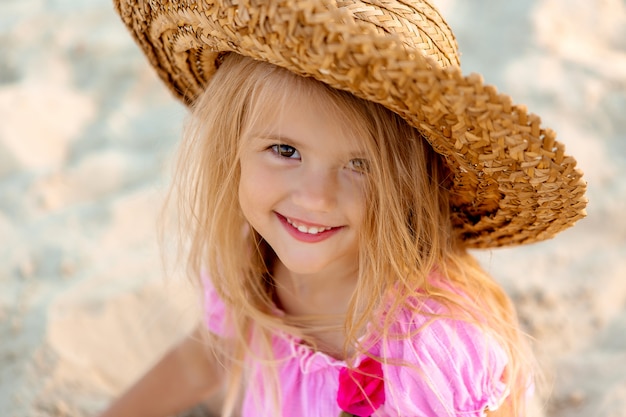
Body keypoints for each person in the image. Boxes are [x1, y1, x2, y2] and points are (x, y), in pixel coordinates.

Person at [102, 0, 588, 416]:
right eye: (285, 151)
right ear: (233, 149)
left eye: (361, 164)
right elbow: (206, 358)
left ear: (412, 184)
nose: (316, 197)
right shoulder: (249, 264)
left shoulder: (433, 350)